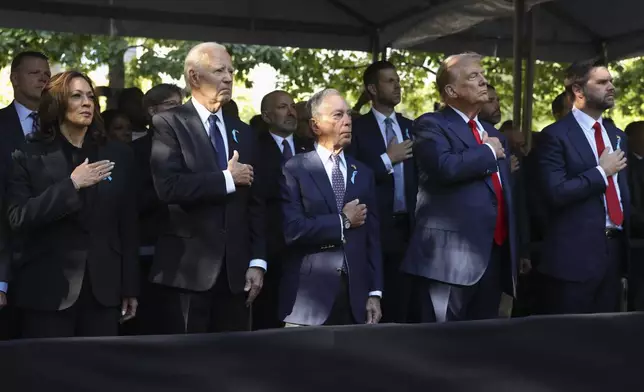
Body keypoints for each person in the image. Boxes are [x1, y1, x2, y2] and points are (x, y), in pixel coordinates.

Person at [4, 71, 139, 338]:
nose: (87, 102)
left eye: (90, 96)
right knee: (49, 375)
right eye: (76, 96)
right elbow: (18, 217)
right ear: (57, 103)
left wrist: (130, 287)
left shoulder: (117, 154)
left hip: (104, 289)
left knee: (100, 373)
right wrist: (72, 185)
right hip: (47, 290)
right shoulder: (28, 154)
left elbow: (128, 225)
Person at [149, 42, 265, 334]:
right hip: (188, 272)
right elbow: (169, 187)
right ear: (194, 77)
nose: (228, 77)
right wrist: (227, 178)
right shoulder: (169, 123)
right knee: (187, 367)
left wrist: (257, 261)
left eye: (230, 71)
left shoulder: (243, 131)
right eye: (219, 70)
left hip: (236, 274)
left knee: (233, 365)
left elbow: (256, 203)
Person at [401, 52, 517, 322]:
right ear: (451, 91)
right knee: (440, 350)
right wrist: (488, 152)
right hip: (448, 262)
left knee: (481, 349)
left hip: (493, 257)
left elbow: (504, 195)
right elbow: (445, 167)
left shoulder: (496, 135)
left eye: (483, 75)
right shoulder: (430, 124)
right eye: (474, 76)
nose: (483, 82)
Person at [279, 88, 383, 326]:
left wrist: (374, 292)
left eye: (348, 115)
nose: (347, 121)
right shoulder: (294, 168)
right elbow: (293, 229)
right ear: (315, 125)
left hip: (355, 299)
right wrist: (343, 221)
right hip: (307, 300)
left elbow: (373, 238)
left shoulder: (363, 173)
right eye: (337, 115)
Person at [535, 59, 629, 314]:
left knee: (606, 342)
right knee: (570, 342)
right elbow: (555, 192)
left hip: (614, 253)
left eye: (610, 81)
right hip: (574, 258)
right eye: (601, 82)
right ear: (578, 91)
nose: (611, 87)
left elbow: (623, 193)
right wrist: (601, 172)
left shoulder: (617, 135)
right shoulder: (554, 136)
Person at [348, 61, 417, 322]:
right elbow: (352, 176)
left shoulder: (412, 127)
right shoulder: (357, 128)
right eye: (390, 81)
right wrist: (387, 159)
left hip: (408, 229)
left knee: (404, 305)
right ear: (372, 89)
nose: (398, 85)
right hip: (373, 227)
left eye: (398, 80)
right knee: (373, 304)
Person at [0, 51, 50, 339]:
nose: (43, 78)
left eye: (47, 73)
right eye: (35, 73)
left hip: (51, 261)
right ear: (15, 79)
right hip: (8, 256)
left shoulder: (62, 128)